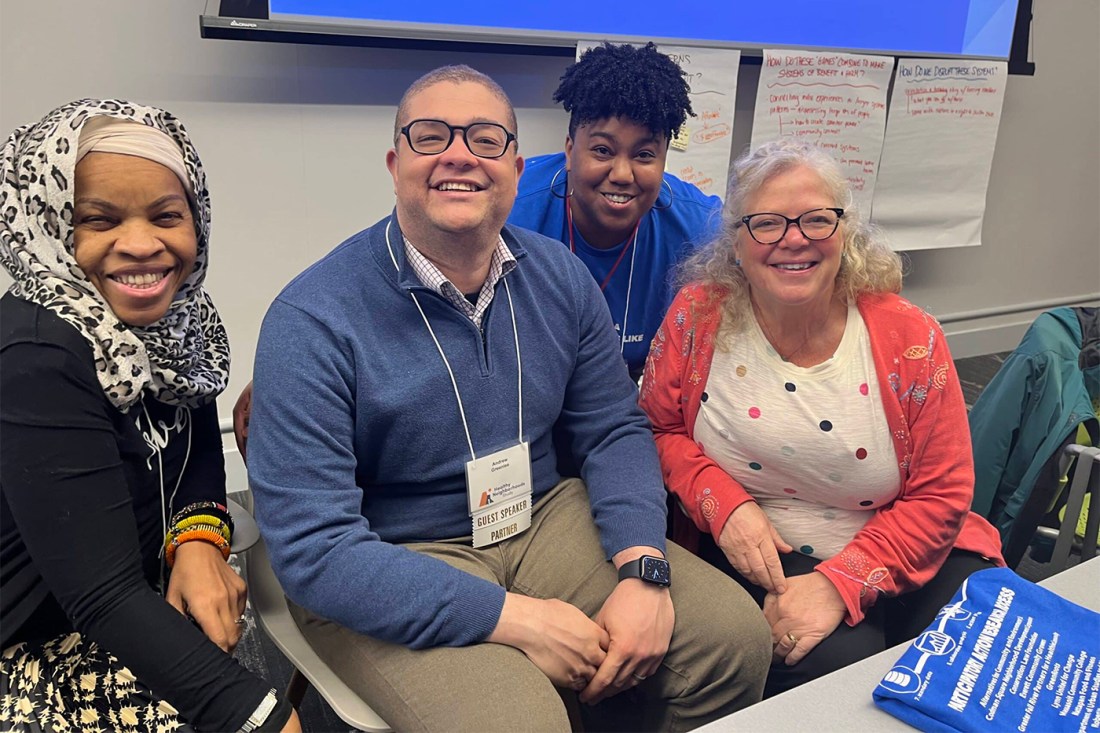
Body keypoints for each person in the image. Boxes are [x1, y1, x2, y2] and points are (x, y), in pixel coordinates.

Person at [247, 65, 770, 732]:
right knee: (520, 721)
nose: (459, 154)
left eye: (486, 139)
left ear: (518, 168)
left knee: (732, 639)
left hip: (542, 512)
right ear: (395, 162)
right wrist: (516, 619)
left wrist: (644, 562)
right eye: (431, 136)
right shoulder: (311, 318)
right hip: (393, 549)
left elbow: (612, 429)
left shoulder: (561, 276)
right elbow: (316, 548)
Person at [638, 139, 1005, 698]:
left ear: (845, 232)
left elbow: (942, 496)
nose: (794, 239)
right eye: (766, 223)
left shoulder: (910, 337)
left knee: (991, 654)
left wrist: (842, 583)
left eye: (816, 219)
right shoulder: (698, 315)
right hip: (766, 559)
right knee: (835, 677)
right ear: (736, 241)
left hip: (909, 545)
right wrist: (721, 501)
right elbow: (657, 430)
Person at [0, 99, 299, 733]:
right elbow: (100, 593)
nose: (141, 245)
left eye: (167, 216)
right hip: (30, 646)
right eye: (98, 220)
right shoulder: (35, 352)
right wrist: (261, 717)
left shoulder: (179, 329)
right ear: (48, 226)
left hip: (124, 617)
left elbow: (197, 463)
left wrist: (195, 541)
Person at [508, 42, 722, 379]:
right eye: (602, 150)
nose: (622, 174)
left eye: (644, 155)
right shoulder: (510, 210)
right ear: (569, 149)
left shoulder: (701, 229)